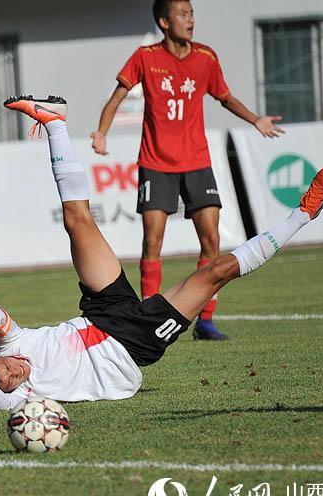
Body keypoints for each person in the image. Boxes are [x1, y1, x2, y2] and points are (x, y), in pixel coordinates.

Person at [0, 96, 323, 411]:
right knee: (219, 270)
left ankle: (54, 122)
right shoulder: (21, 398)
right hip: (129, 345)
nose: (16, 371)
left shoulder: (9, 348)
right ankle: (303, 213)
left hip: (104, 310)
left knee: (76, 219)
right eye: (9, 378)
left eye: (5, 368)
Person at [90, 0, 285, 340]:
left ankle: (205, 320)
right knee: (152, 242)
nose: (190, 20)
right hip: (156, 163)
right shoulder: (146, 58)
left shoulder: (205, 57)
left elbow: (225, 97)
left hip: (197, 162)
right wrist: (102, 131)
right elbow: (117, 96)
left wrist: (255, 119)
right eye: (183, 14)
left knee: (212, 241)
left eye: (192, 13)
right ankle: (148, 318)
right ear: (164, 22)